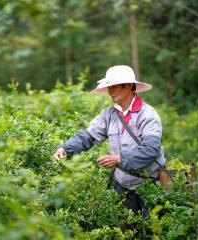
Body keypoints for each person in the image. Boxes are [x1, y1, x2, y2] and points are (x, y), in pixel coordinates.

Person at [53, 65, 166, 223]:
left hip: (149, 185)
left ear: (128, 86)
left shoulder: (148, 115)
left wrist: (119, 159)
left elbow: (151, 150)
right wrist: (65, 148)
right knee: (123, 230)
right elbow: (87, 136)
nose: (110, 91)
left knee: (152, 230)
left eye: (113, 86)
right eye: (108, 87)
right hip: (122, 186)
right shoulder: (108, 115)